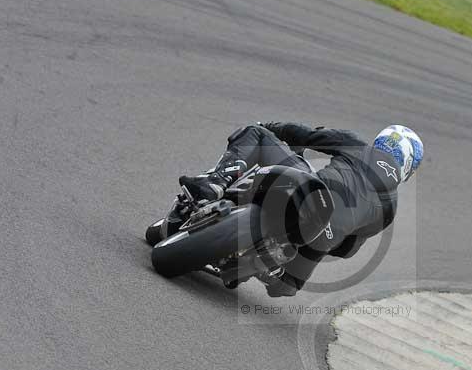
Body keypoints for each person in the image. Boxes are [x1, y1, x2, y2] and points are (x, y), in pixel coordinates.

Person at [178, 122, 424, 297]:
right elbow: (347, 250)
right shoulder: (390, 208)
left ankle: (216, 183)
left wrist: (270, 128)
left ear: (381, 141)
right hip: (318, 241)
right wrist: (330, 231)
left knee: (255, 133)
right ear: (408, 167)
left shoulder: (357, 145)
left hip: (306, 194)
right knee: (285, 287)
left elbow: (304, 134)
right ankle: (271, 266)